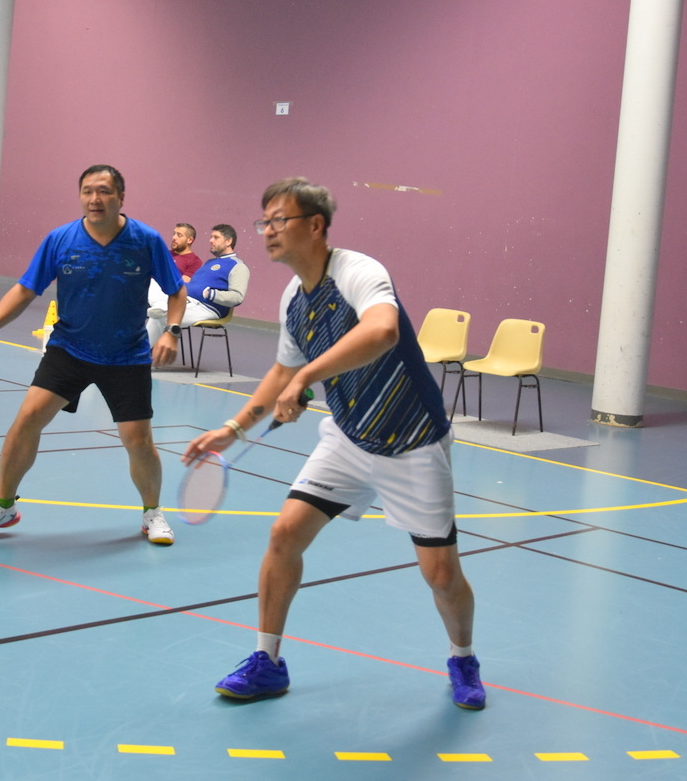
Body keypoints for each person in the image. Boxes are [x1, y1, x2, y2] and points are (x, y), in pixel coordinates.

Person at [182, 177, 484, 710]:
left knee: (440, 574)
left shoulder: (358, 272)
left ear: (315, 225)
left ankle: (463, 657)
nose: (268, 231)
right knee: (284, 535)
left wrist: (307, 376)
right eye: (264, 222)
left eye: (280, 220)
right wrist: (234, 428)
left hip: (412, 440)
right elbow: (283, 370)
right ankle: (268, 661)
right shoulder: (293, 300)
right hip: (348, 438)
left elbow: (383, 331)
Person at [0, 165, 188, 545]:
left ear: (121, 197)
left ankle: (152, 513)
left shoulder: (145, 240)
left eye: (104, 191)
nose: (95, 199)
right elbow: (26, 288)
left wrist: (172, 332)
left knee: (138, 440)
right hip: (70, 348)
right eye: (87, 191)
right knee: (27, 420)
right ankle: (3, 506)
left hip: (126, 354)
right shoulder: (61, 239)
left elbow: (176, 291)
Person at [146, 224, 250, 350]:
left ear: (228, 241)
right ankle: (161, 305)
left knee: (161, 316)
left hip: (207, 308)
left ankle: (137, 356)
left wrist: (211, 294)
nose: (211, 240)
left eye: (216, 237)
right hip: (186, 300)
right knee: (153, 282)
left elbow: (237, 297)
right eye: (211, 237)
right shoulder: (209, 263)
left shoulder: (238, 266)